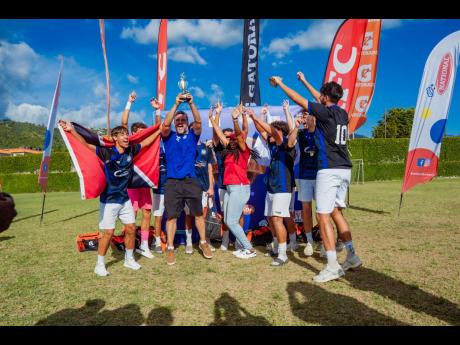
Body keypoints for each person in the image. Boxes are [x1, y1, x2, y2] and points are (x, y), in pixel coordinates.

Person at [270, 74, 362, 283]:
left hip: (328, 169)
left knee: (322, 216)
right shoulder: (341, 112)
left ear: (324, 97)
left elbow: (299, 100)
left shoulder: (323, 111)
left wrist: (282, 82)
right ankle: (352, 255)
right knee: (336, 212)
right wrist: (304, 82)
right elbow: (318, 99)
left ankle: (332, 265)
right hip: (344, 167)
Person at [59, 120, 160, 277]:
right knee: (108, 232)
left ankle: (129, 259)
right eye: (123, 134)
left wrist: (159, 129)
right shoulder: (107, 152)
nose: (127, 137)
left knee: (131, 228)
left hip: (124, 199)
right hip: (109, 200)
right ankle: (99, 264)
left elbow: (146, 142)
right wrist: (71, 130)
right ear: (115, 138)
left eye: (127, 134)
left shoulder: (131, 151)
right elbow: (85, 144)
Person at [160, 91, 213, 266]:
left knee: (198, 214)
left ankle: (203, 243)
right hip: (172, 183)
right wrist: (175, 105)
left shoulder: (192, 135)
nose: (180, 123)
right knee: (172, 217)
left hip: (191, 181)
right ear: (176, 123)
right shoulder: (168, 137)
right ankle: (169, 248)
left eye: (183, 120)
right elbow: (165, 125)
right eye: (178, 121)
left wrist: (191, 103)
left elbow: (198, 122)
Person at [247, 107, 296, 266]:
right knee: (270, 218)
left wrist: (256, 116)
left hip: (283, 188)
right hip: (271, 187)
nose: (268, 136)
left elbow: (271, 131)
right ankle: (276, 246)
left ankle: (283, 254)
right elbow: (262, 130)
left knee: (276, 219)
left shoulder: (284, 144)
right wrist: (255, 119)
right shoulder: (273, 146)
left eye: (272, 133)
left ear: (280, 133)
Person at [209, 104, 258, 259]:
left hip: (240, 188)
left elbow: (239, 133)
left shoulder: (244, 151)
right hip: (231, 188)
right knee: (230, 220)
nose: (230, 141)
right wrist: (212, 118)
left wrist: (235, 119)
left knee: (231, 220)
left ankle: (248, 248)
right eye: (229, 140)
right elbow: (219, 133)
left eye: (233, 139)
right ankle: (244, 246)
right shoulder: (228, 152)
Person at [120, 91, 154, 259]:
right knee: (130, 217)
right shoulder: (129, 142)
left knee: (147, 213)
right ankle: (129, 246)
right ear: (133, 133)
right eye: (140, 132)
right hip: (131, 184)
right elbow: (124, 122)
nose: (143, 134)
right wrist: (129, 102)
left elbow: (158, 129)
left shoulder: (147, 145)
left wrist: (156, 110)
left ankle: (144, 246)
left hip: (144, 183)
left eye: (144, 132)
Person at [287, 106, 317, 257]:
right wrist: (296, 125)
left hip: (321, 176)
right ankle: (310, 241)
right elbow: (290, 144)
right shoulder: (300, 133)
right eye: (303, 115)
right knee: (306, 209)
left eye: (307, 115)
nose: (305, 117)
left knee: (323, 212)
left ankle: (325, 241)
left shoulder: (320, 131)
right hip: (304, 176)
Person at [184, 123, 216, 254]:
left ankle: (204, 241)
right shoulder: (185, 147)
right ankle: (189, 242)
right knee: (188, 215)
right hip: (188, 186)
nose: (194, 131)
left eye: (196, 129)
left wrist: (211, 187)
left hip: (203, 187)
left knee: (201, 216)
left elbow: (209, 168)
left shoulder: (206, 147)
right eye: (192, 130)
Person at [151, 98, 167, 254]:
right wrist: (158, 110)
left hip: (174, 186)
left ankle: (170, 240)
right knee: (158, 216)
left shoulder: (173, 143)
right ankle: (156, 242)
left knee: (173, 216)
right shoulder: (157, 146)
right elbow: (157, 128)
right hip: (158, 188)